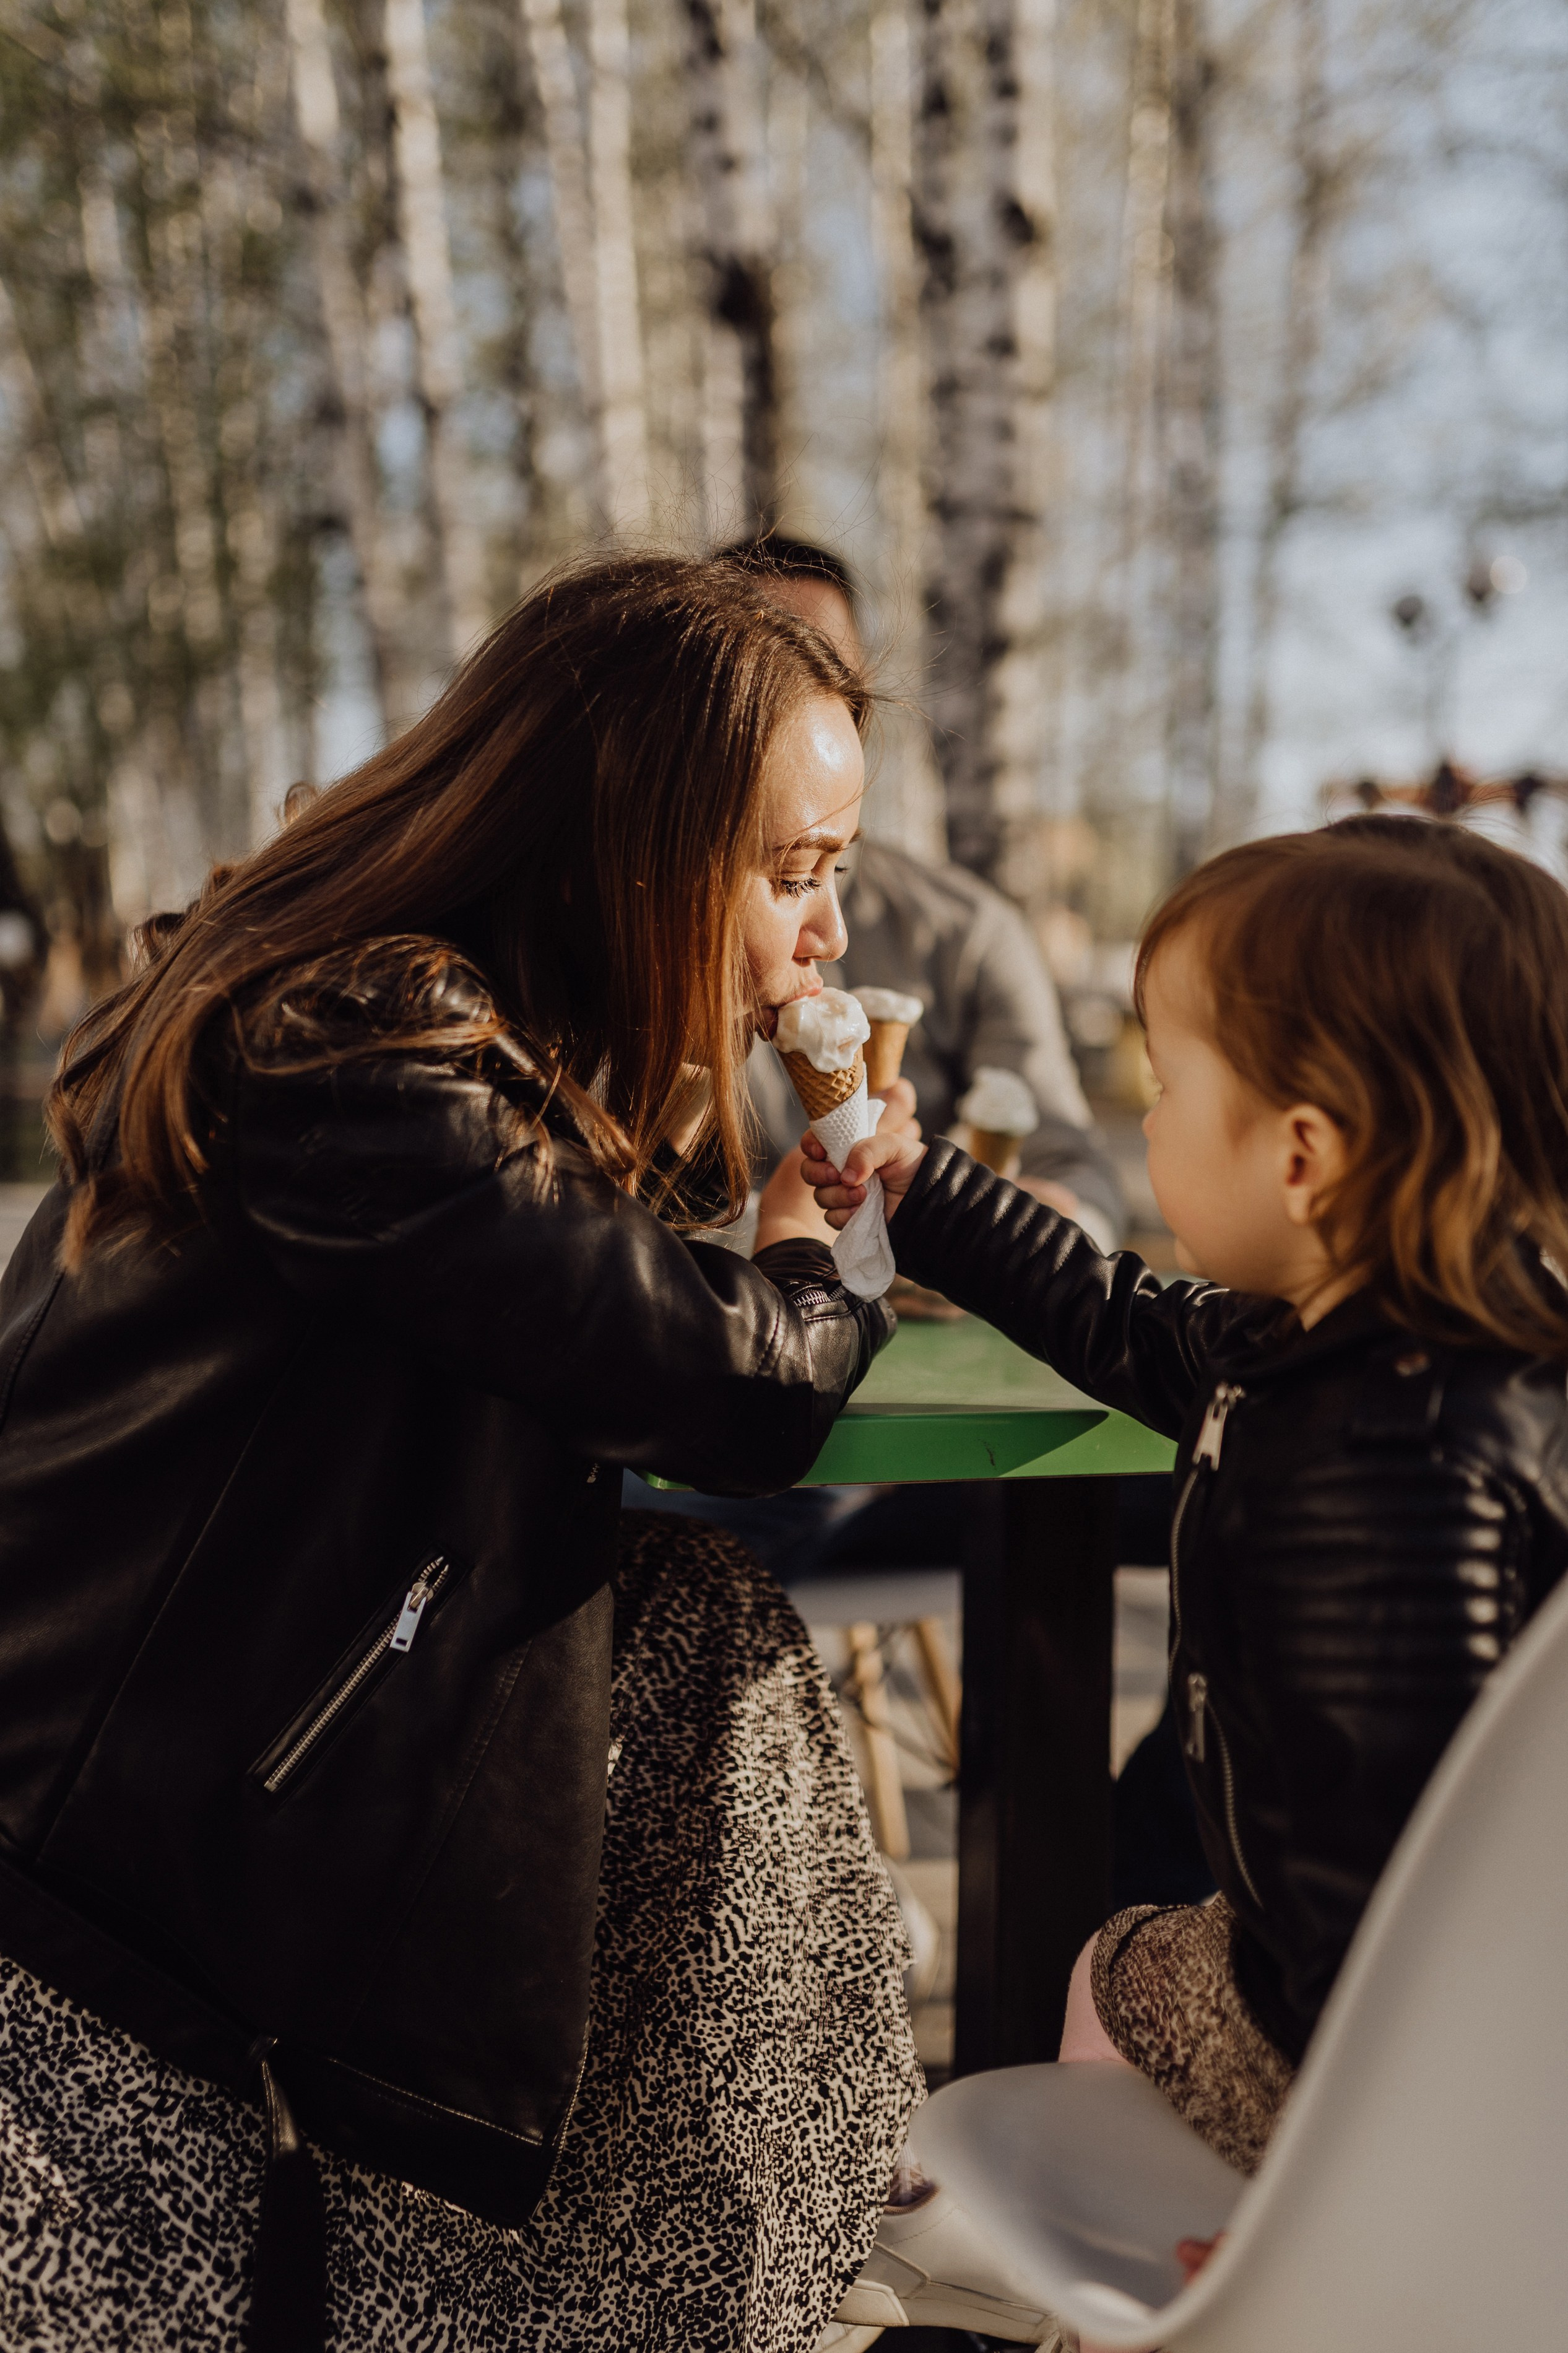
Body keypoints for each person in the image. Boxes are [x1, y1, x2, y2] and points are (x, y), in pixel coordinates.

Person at [0, 556, 923, 2352]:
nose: (825, 934)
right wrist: (822, 1240)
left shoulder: (412, 1019)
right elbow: (738, 1394)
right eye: (795, 874)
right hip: (110, 1915)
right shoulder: (368, 1054)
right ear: (629, 847)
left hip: (223, 1803)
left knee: (696, 1641)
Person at [806, 815, 1568, 2180]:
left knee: (1120, 1965)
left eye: (1165, 1082)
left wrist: (1322, 2234)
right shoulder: (1345, 1345)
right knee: (1130, 1949)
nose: (1144, 1116)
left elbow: (1396, 1901)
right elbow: (1118, 1316)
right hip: (1415, 2024)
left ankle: (1189, 2289)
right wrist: (925, 1192)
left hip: (1398, 2086)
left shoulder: (1390, 1476)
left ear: (1303, 1155)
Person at [718, 535, 1126, 1251]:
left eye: (820, 671)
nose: (795, 698)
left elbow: (1075, 1164)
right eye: (755, 673)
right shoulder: (627, 940)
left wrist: (1004, 1234)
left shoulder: (967, 930)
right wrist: (790, 1228)